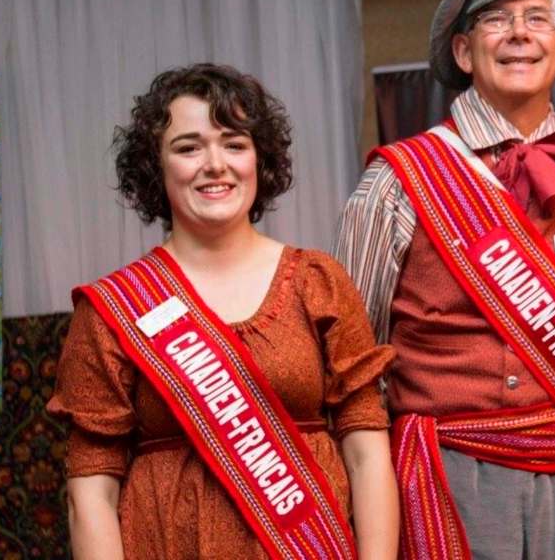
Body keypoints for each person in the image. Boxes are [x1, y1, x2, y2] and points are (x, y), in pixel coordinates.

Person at [335, 0, 555, 560]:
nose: (519, 33)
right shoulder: (396, 182)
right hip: (452, 472)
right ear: (463, 51)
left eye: (537, 19)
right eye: (496, 19)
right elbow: (353, 364)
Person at [47, 63, 399, 560]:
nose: (215, 164)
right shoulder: (113, 309)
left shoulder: (318, 282)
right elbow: (91, 492)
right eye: (189, 148)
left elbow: (367, 454)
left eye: (234, 144)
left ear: (259, 159)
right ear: (155, 166)